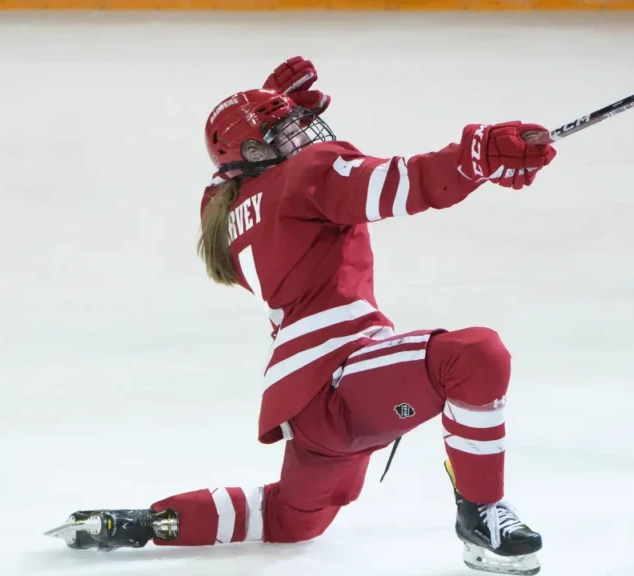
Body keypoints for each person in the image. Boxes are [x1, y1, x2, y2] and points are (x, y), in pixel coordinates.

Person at [45, 56, 557, 576]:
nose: (302, 133)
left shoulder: (223, 212)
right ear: (254, 150)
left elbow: (234, 179)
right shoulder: (307, 175)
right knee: (474, 358)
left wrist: (153, 523)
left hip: (307, 409)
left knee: (290, 519)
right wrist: (476, 158)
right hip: (344, 377)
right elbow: (407, 181)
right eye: (285, 131)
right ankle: (482, 514)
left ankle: (135, 524)